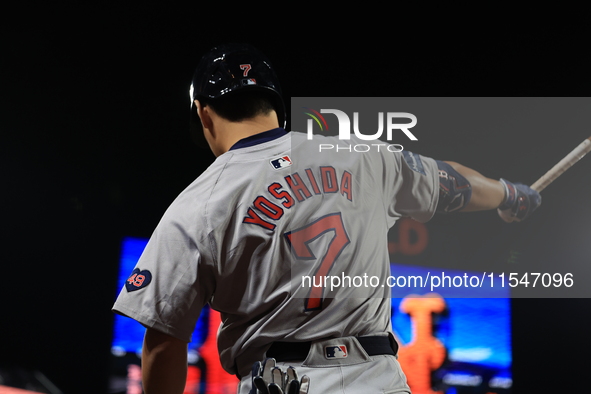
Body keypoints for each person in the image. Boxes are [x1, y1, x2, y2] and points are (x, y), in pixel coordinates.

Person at [112, 43, 541, 394]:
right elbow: (453, 181)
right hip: (377, 379)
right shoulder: (366, 156)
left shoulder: (197, 203)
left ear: (204, 114)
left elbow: (163, 343)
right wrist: (509, 194)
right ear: (276, 108)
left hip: (280, 382)